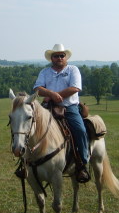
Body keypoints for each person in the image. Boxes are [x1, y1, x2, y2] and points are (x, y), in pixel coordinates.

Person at [33, 44, 90, 183]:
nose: (59, 58)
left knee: (80, 130)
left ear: (65, 57)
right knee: (30, 127)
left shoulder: (73, 70)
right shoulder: (45, 72)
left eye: (61, 55)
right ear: (51, 58)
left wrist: (54, 95)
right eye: (56, 55)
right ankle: (27, 162)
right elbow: (37, 88)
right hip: (48, 107)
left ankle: (82, 164)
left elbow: (75, 88)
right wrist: (50, 94)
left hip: (69, 108)